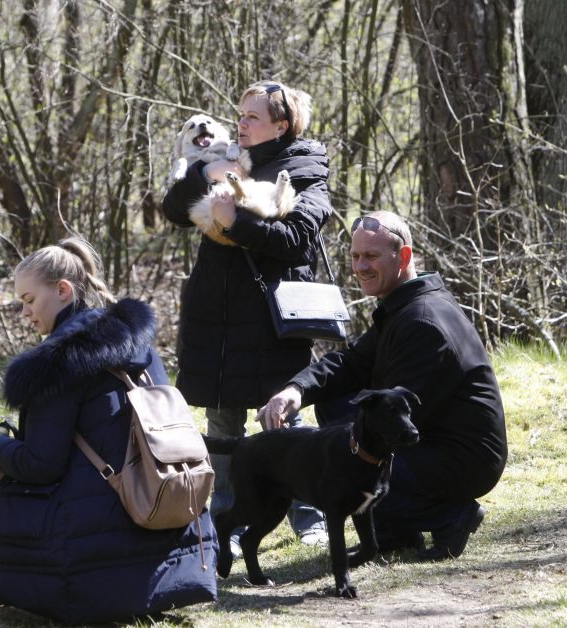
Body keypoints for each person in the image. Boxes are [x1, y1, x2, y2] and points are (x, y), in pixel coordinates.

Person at [0, 238, 218, 624]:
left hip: (92, 563)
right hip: (167, 527)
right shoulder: (137, 342)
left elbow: (41, 464)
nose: (24, 312)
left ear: (63, 290)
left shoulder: (55, 363)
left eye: (29, 299)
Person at [259, 211, 508, 561]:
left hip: (462, 460)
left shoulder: (423, 321)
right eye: (356, 256)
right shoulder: (402, 306)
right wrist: (295, 390)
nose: (360, 266)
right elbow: (352, 363)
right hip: (435, 442)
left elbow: (400, 419)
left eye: (371, 256)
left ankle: (452, 517)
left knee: (353, 451)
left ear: (403, 257)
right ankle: (395, 533)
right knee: (336, 408)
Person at [161, 80, 333, 548]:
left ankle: (310, 516)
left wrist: (237, 224)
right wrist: (207, 174)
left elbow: (298, 239)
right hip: (214, 314)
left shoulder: (305, 165)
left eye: (252, 117)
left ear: (282, 124)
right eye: (240, 115)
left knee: (285, 420)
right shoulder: (222, 156)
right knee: (221, 427)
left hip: (272, 317)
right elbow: (173, 208)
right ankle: (227, 523)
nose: (241, 123)